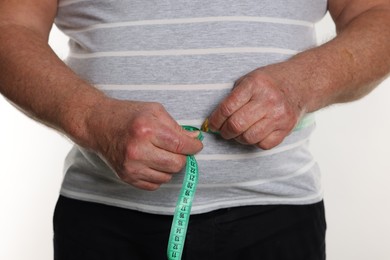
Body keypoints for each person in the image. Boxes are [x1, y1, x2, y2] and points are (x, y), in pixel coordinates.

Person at [1, 0, 389, 259]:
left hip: (278, 218)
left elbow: (377, 15)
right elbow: (10, 25)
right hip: (104, 219)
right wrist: (91, 118)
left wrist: (303, 84)